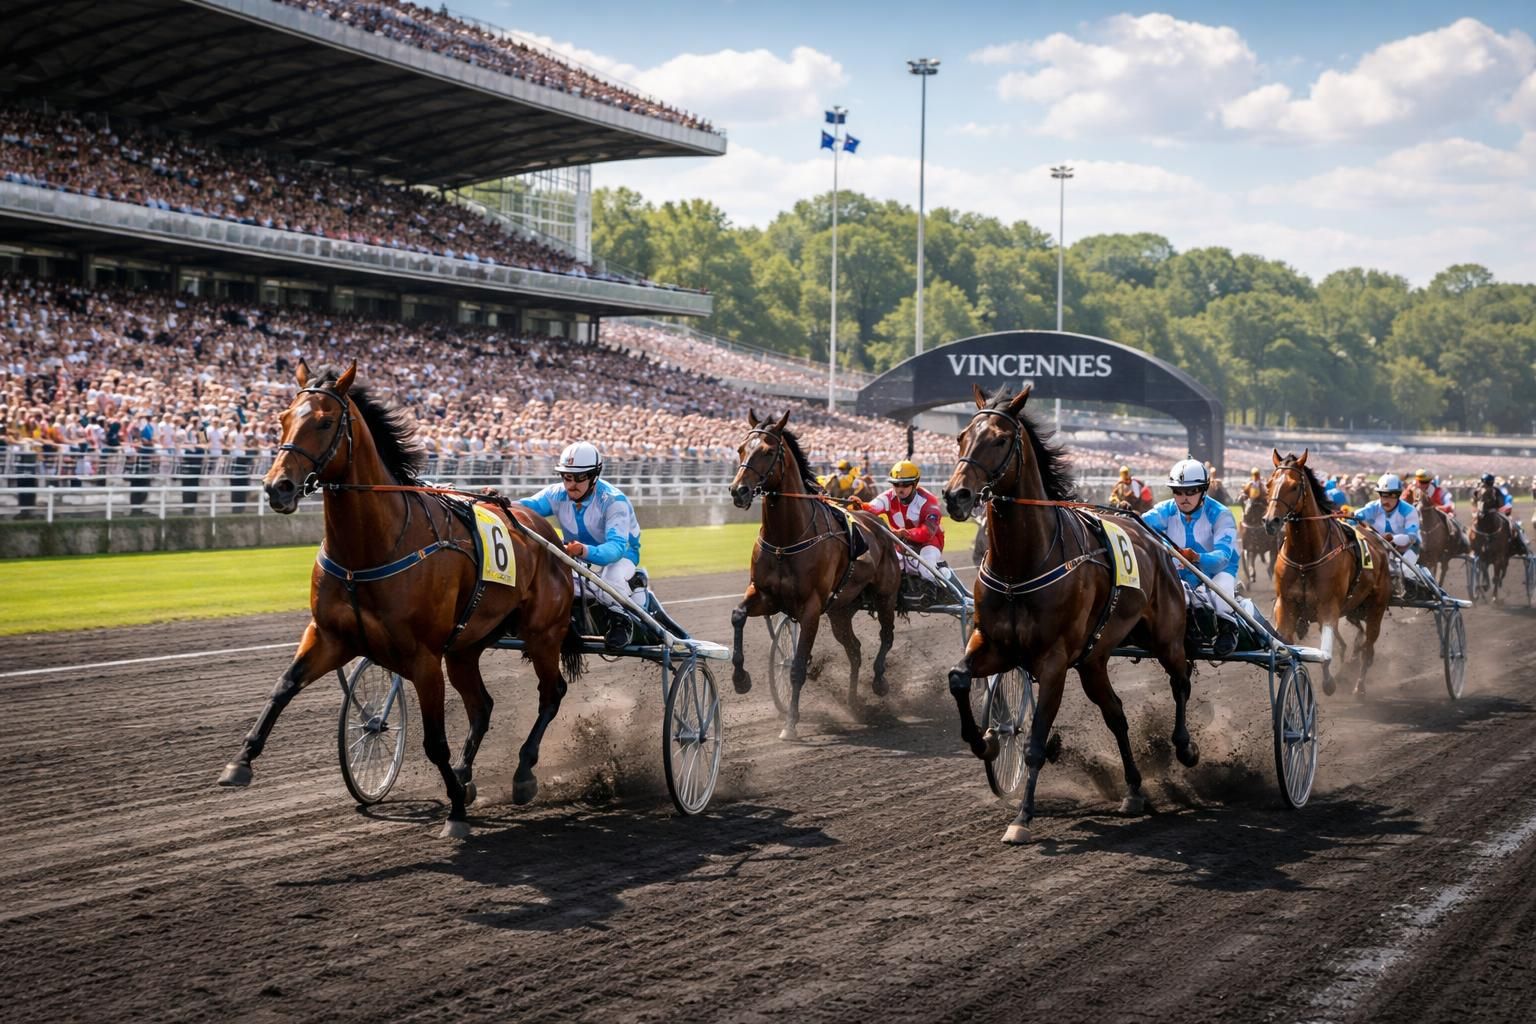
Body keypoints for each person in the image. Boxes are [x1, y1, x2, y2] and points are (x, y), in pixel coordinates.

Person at [518, 441, 646, 649]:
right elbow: (526, 507)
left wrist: (584, 550)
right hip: (578, 554)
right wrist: (499, 501)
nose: (571, 485)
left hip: (622, 555)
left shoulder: (614, 501)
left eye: (579, 478)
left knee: (611, 579)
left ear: (594, 476)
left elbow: (615, 549)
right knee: (552, 578)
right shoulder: (556, 494)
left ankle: (622, 622)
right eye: (567, 477)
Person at [1142, 458, 1241, 657]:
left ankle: (1229, 629)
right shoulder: (1165, 510)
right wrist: (1127, 516)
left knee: (1220, 597)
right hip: (1181, 574)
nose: (1183, 498)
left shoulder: (1221, 514)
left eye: (1191, 491)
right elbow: (1139, 524)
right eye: (1178, 492)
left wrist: (1196, 557)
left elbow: (1222, 558)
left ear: (1203, 490)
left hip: (1218, 573)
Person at [849, 460, 963, 593]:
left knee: (926, 570)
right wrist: (860, 506)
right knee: (886, 567)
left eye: (905, 484)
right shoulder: (889, 496)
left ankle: (957, 591)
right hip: (901, 543)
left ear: (915, 483)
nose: (899, 489)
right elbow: (872, 508)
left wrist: (904, 533)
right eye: (896, 484)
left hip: (929, 543)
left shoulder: (929, 501)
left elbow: (927, 532)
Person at [1353, 473, 1428, 596]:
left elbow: (1411, 537)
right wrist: (1347, 515)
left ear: (1398, 495)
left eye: (1391, 495)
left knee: (1405, 571)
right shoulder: (1373, 507)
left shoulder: (1409, 510)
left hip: (1407, 548)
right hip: (1382, 548)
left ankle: (1420, 583)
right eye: (1383, 495)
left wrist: (1392, 538)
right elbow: (1356, 515)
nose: (1386, 500)